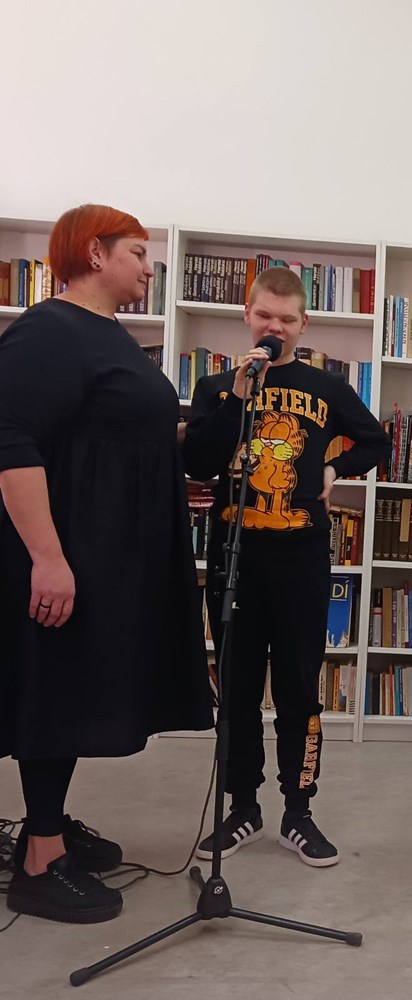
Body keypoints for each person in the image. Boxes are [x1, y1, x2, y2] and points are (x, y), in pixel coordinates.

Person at [0, 205, 214, 923]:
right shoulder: (48, 330)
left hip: (108, 550)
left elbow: (110, 431)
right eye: (138, 253)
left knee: (76, 687)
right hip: (67, 550)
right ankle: (40, 860)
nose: (150, 268)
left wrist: (172, 462)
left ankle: (50, 824)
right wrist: (47, 558)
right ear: (94, 253)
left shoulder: (105, 332)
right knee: (54, 688)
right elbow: (11, 442)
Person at [183, 265, 390, 868]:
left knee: (299, 689)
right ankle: (242, 807)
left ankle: (298, 811)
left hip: (300, 560)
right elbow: (199, 460)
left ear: (304, 325)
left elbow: (376, 441)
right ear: (247, 316)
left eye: (287, 319)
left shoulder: (326, 388)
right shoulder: (217, 386)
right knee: (238, 690)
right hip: (235, 559)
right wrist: (237, 398)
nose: (274, 328)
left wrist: (335, 468)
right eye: (265, 316)